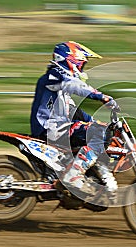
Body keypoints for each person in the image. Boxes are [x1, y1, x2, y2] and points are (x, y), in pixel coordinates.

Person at [30, 41, 118, 201]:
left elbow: (74, 112)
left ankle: (88, 176)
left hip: (56, 127)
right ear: (72, 60)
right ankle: (74, 175)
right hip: (50, 128)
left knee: (99, 131)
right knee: (98, 132)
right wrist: (100, 96)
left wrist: (97, 122)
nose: (82, 68)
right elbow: (74, 85)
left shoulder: (58, 86)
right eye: (82, 64)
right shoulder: (54, 75)